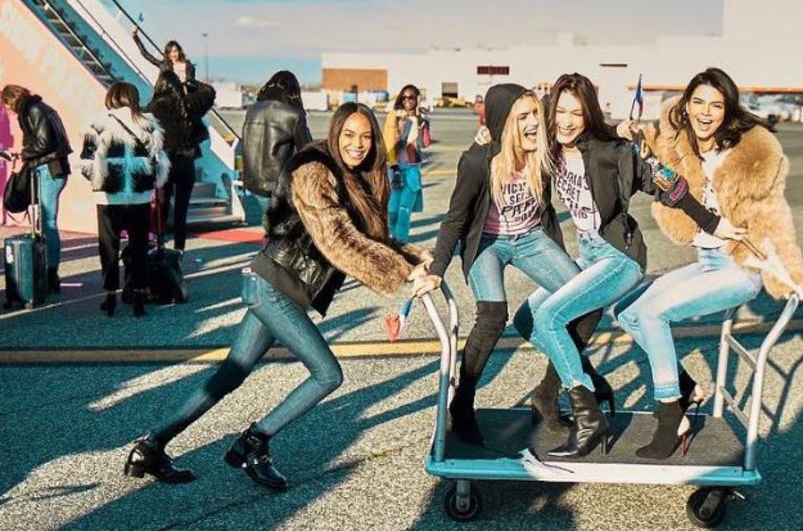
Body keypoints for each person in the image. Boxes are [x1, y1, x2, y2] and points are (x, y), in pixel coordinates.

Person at [124, 103, 431, 488]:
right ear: (335, 133)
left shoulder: (359, 178)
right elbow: (338, 239)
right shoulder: (315, 169)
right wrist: (404, 272)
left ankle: (150, 447)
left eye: (366, 137)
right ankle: (255, 442)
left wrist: (416, 260)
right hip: (272, 286)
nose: (358, 145)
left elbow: (372, 240)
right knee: (327, 375)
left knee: (229, 375)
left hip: (278, 288)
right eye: (349, 135)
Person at [513, 73, 744, 459]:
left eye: (577, 113)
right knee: (527, 318)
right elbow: (513, 141)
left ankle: (589, 419)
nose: (567, 121)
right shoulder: (549, 150)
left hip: (620, 258)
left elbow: (664, 183)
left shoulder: (612, 153)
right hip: (587, 256)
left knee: (551, 315)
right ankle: (589, 383)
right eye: (561, 112)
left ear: (589, 116)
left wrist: (710, 221)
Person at [613, 68, 803, 459]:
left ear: (728, 110)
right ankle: (685, 389)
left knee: (653, 313)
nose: (706, 113)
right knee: (626, 311)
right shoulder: (680, 141)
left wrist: (792, 273)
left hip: (738, 268)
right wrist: (630, 133)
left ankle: (672, 418)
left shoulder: (751, 155)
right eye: (699, 102)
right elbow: (650, 147)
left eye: (716, 105)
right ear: (686, 106)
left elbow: (775, 213)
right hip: (705, 260)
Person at [412, 84, 609, 444]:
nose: (535, 123)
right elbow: (455, 219)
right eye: (523, 117)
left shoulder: (543, 153)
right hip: (488, 243)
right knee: (492, 315)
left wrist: (620, 135)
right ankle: (462, 404)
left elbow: (587, 142)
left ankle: (547, 396)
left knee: (589, 302)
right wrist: (437, 269)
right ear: (505, 125)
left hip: (531, 238)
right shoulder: (478, 161)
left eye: (535, 114)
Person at [79, 82, 169, 317]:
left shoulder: (97, 123)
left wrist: (100, 180)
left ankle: (110, 296)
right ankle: (139, 295)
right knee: (138, 246)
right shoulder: (147, 123)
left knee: (108, 247)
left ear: (111, 97)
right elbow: (158, 161)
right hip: (138, 196)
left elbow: (87, 162)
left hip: (109, 197)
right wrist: (151, 182)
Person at [0, 84, 72, 293]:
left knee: (48, 222)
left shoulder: (33, 110)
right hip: (52, 169)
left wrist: (23, 153)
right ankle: (48, 272)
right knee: (44, 221)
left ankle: (51, 274)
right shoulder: (39, 107)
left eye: (6, 105)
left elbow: (44, 143)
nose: (8, 110)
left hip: (48, 169)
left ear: (11, 99)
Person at [145, 71, 215, 252]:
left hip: (164, 163)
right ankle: (179, 249)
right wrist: (190, 82)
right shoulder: (188, 104)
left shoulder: (151, 108)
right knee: (181, 211)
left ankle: (159, 246)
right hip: (186, 161)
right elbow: (209, 92)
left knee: (162, 207)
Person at [241, 70, 311, 215]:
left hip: (253, 184)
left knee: (268, 227)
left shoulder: (252, 110)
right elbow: (307, 151)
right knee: (282, 231)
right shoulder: (294, 114)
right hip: (279, 186)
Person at [383, 84, 430, 242]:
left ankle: (400, 242)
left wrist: (424, 125)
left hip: (412, 169)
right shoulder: (394, 116)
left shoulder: (419, 119)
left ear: (417, 99)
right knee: (392, 209)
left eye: (411, 97)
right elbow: (388, 142)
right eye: (404, 97)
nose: (407, 100)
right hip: (395, 168)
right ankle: (391, 238)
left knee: (405, 210)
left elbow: (424, 144)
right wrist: (394, 166)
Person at [131, 27, 196, 84]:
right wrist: (135, 36)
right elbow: (146, 54)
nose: (173, 54)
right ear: (167, 54)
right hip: (167, 94)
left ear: (179, 51)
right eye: (170, 52)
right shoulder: (164, 65)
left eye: (175, 51)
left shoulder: (188, 65)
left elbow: (192, 82)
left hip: (184, 94)